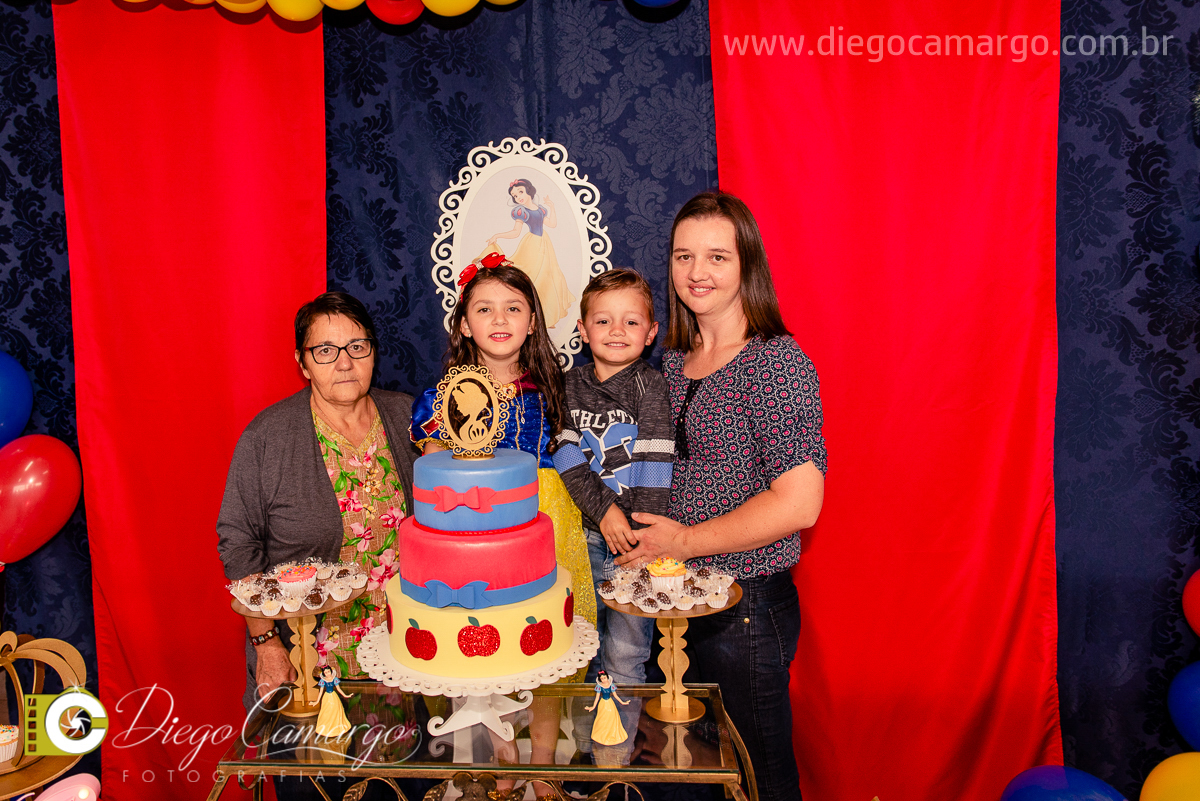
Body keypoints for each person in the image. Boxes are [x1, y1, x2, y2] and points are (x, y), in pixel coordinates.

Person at [615, 191, 827, 801]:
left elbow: (800, 502)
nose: (697, 272)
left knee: (757, 780)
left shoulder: (775, 363)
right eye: (684, 256)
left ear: (747, 265)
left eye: (717, 257)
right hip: (673, 606)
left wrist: (685, 541)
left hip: (744, 608)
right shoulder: (672, 364)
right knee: (693, 777)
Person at [411, 256, 594, 797]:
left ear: (533, 321)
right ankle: (504, 753)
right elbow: (437, 473)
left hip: (547, 524)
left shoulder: (553, 389)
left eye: (513, 308)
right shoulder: (442, 397)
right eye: (484, 308)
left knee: (544, 645)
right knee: (488, 640)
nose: (499, 318)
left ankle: (544, 763)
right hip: (475, 535)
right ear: (464, 324)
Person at [217, 291, 417, 713]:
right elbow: (237, 543)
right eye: (325, 350)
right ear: (302, 362)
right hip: (309, 662)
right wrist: (266, 643)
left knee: (405, 754)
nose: (344, 363)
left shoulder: (409, 420)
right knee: (319, 755)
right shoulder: (267, 438)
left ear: (373, 352)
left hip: (405, 652)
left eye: (357, 346)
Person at [551, 268, 672, 759]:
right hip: (581, 537)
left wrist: (642, 534)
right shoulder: (566, 386)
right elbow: (564, 453)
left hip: (635, 547)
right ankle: (584, 753)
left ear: (651, 331)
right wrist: (603, 512)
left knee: (625, 652)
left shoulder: (651, 387)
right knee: (581, 646)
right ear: (582, 329)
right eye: (603, 321)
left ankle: (613, 758)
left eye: (631, 321)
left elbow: (656, 463)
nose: (617, 331)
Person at [484, 178, 576, 328]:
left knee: (547, 278)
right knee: (531, 277)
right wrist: (497, 235)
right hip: (531, 246)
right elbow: (515, 232)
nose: (518, 197)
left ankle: (546, 317)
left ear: (529, 190)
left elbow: (552, 224)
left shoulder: (541, 209)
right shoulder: (521, 212)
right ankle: (531, 317)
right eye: (515, 196)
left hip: (544, 244)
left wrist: (552, 207)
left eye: (520, 192)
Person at [584, 669, 631, 748]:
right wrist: (593, 706)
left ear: (607, 677)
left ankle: (612, 734)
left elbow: (615, 695)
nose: (604, 680)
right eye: (602, 678)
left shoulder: (611, 685)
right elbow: (597, 698)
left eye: (604, 678)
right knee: (602, 719)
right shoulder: (599, 686)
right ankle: (602, 735)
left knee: (612, 718)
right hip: (603, 703)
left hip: (610, 703)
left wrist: (622, 702)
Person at [309, 665, 353, 738]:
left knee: (336, 711)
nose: (327, 674)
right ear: (324, 674)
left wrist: (345, 695)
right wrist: (316, 701)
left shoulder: (334, 679)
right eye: (326, 673)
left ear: (331, 671)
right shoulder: (323, 681)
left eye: (328, 671)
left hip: (334, 696)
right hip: (327, 697)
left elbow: (338, 689)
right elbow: (320, 692)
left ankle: (337, 727)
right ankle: (326, 728)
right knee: (326, 712)